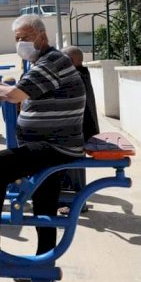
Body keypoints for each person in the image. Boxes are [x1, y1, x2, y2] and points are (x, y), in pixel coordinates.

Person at [0, 14, 86, 258]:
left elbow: (14, 95)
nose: (21, 43)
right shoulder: (45, 63)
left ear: (42, 37)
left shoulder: (51, 62)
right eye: (17, 39)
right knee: (44, 204)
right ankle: (42, 265)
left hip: (55, 146)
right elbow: (22, 92)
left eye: (26, 37)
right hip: (55, 144)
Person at [59, 45, 101, 213]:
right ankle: (74, 203)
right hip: (80, 131)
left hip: (78, 133)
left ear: (71, 61)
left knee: (73, 170)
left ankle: (75, 204)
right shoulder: (81, 74)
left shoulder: (75, 77)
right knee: (71, 169)